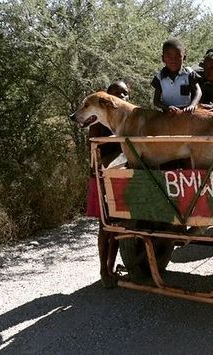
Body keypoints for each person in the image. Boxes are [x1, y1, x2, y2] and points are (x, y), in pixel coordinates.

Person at [86, 80, 129, 288]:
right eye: (116, 94)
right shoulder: (98, 119)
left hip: (118, 174)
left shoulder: (123, 117)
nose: (122, 98)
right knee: (106, 224)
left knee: (118, 223)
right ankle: (104, 269)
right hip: (102, 175)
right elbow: (95, 144)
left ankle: (111, 267)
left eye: (125, 94)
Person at [151, 38, 201, 114]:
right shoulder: (160, 77)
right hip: (168, 115)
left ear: (184, 58)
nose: (173, 60)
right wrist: (166, 107)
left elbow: (198, 91)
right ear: (163, 58)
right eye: (169, 56)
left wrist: (192, 105)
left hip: (186, 114)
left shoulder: (188, 73)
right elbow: (156, 101)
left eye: (178, 56)